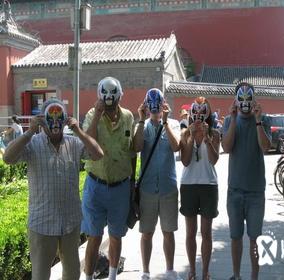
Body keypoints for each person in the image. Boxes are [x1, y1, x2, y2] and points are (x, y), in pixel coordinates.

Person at [3, 98, 103, 280]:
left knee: (72, 274)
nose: (55, 123)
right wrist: (29, 132)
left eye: (60, 117)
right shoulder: (32, 144)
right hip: (42, 223)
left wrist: (78, 130)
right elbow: (8, 158)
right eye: (51, 117)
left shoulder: (73, 143)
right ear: (42, 119)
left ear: (65, 118)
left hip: (70, 223)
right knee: (40, 275)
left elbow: (98, 154)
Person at [82, 77, 137, 280]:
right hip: (95, 184)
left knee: (116, 236)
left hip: (121, 186)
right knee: (94, 237)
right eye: (106, 100)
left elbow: (132, 151)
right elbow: (87, 143)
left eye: (113, 100)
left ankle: (112, 276)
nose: (110, 105)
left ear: (120, 96)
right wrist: (97, 115)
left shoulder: (129, 117)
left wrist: (132, 183)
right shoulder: (91, 114)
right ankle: (88, 277)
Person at [222, 82, 271, 280]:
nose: (244, 103)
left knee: (254, 239)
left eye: (248, 98)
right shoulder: (228, 120)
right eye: (240, 99)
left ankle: (254, 276)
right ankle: (236, 275)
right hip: (235, 190)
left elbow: (265, 147)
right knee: (235, 237)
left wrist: (258, 120)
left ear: (254, 99)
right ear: (235, 100)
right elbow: (227, 147)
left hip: (256, 191)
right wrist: (233, 119)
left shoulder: (263, 119)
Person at [133, 88, 181, 280]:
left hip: (168, 187)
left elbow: (176, 146)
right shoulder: (143, 126)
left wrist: (166, 121)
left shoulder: (174, 123)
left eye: (157, 104)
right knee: (147, 232)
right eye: (151, 104)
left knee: (168, 231)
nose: (155, 108)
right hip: (148, 189)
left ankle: (170, 270)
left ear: (163, 104)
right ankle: (145, 271)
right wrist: (141, 119)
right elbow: (136, 147)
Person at [179, 96, 220, 280]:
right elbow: (186, 161)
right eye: (195, 112)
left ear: (208, 113)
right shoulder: (185, 133)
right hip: (188, 185)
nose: (198, 115)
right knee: (190, 232)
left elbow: (214, 160)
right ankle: (192, 271)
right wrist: (190, 138)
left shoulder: (215, 133)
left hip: (209, 185)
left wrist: (207, 139)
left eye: (202, 112)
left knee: (206, 232)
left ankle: (205, 272)